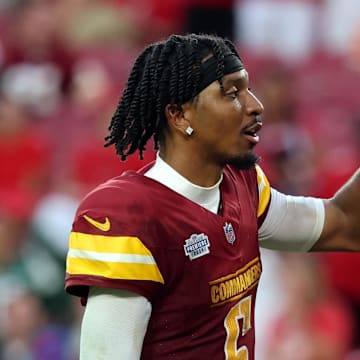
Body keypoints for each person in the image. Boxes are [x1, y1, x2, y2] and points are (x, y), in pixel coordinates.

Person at [64, 33, 360, 359]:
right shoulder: (129, 215)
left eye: (248, 88)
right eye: (232, 93)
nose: (255, 105)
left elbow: (346, 224)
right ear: (179, 115)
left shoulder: (242, 184)